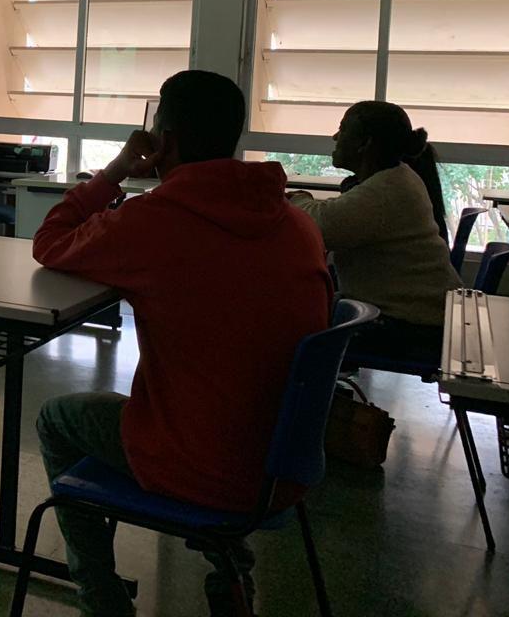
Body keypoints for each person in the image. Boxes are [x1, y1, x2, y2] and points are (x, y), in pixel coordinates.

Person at [32, 70, 332, 617]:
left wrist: (117, 170)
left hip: (201, 469)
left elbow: (50, 242)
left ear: (163, 141)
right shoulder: (297, 224)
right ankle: (231, 575)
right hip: (283, 470)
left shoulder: (152, 222)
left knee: (56, 419)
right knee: (223, 401)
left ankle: (103, 604)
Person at [287, 101, 460, 362]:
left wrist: (297, 198)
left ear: (364, 143)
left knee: (289, 321)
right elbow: (341, 214)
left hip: (412, 328)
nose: (335, 137)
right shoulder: (396, 178)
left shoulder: (386, 190)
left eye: (342, 129)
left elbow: (317, 227)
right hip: (426, 317)